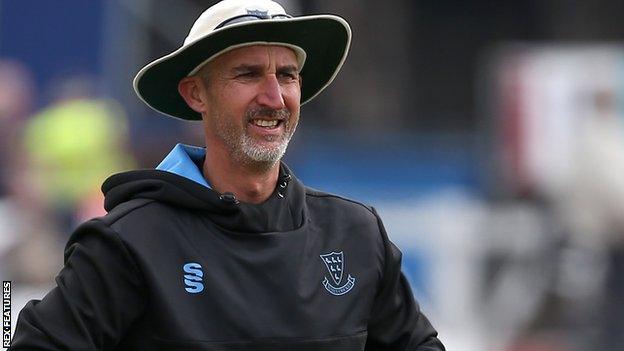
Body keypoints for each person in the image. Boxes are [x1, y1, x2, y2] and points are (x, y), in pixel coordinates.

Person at [11, 0, 445, 349]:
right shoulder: (129, 243)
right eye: (249, 74)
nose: (274, 96)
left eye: (287, 75)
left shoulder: (356, 234)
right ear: (196, 93)